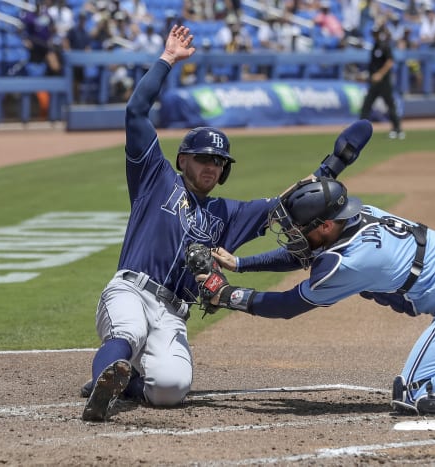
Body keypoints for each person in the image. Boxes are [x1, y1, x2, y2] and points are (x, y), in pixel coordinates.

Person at [80, 25, 369, 422]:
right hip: (131, 289)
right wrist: (167, 60)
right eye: (203, 158)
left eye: (219, 163)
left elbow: (290, 205)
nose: (211, 167)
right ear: (183, 160)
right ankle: (101, 390)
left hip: (172, 312)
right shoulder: (153, 178)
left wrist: (332, 166)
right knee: (127, 333)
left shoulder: (228, 214)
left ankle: (124, 381)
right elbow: (135, 112)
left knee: (171, 389)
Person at [193, 177, 435, 416]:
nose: (295, 235)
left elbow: (287, 306)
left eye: (301, 228)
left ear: (328, 225)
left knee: (415, 390)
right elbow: (305, 252)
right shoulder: (362, 213)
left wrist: (228, 296)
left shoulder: (348, 263)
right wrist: (242, 265)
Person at [360, 23, 404, 140]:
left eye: (376, 33)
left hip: (384, 82)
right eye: (373, 34)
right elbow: (373, 65)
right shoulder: (374, 46)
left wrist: (380, 74)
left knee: (390, 105)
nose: (375, 36)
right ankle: (359, 130)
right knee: (366, 105)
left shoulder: (385, 46)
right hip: (374, 82)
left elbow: (390, 62)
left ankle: (397, 129)